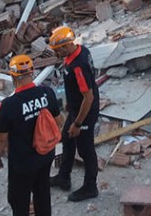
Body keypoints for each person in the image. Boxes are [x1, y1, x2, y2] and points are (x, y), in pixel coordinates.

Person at [0, 54, 60, 216]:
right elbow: (59, 121)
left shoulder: (9, 105)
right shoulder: (47, 93)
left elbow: (0, 138)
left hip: (22, 163)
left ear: (13, 76)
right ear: (32, 72)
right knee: (42, 194)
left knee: (18, 200)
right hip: (45, 155)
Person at [48, 25, 101, 202]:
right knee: (67, 139)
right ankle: (64, 177)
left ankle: (90, 187)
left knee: (86, 151)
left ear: (65, 46)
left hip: (84, 113)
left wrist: (78, 123)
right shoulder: (80, 51)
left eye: (58, 50)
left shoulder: (78, 66)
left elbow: (88, 97)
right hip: (76, 109)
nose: (57, 54)